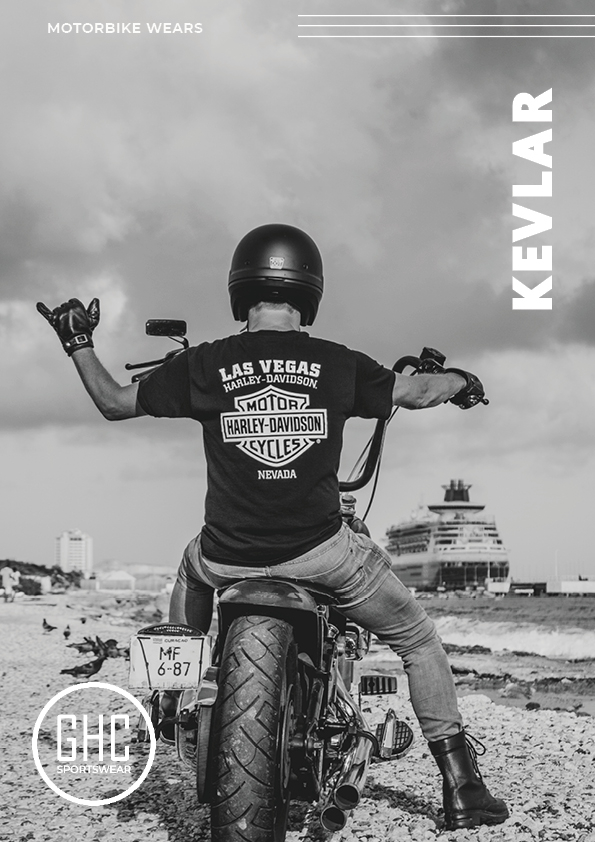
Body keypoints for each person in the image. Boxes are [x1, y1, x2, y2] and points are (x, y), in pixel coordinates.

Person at [37, 223, 508, 830]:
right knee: (417, 639)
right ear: (309, 292)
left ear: (241, 291)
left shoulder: (204, 363)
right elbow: (416, 392)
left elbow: (112, 401)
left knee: (190, 566)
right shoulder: (338, 363)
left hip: (225, 554)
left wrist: (78, 341)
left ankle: (175, 691)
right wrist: (463, 383)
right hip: (319, 553)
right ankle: (463, 786)